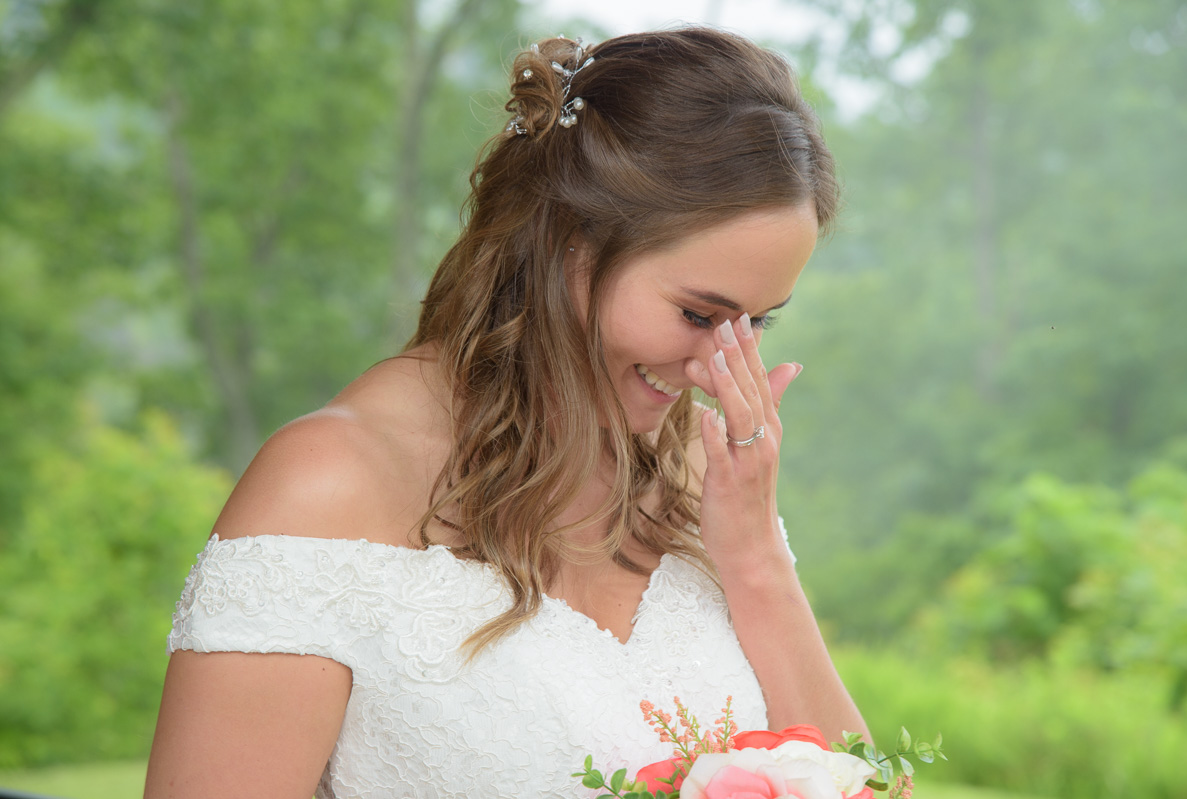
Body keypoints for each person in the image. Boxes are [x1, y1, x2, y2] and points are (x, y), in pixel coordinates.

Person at [143, 27, 869, 799]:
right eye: (698, 315)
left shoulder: (702, 464)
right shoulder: (327, 487)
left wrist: (756, 558)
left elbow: (860, 784)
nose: (723, 371)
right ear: (567, 246)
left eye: (759, 322)